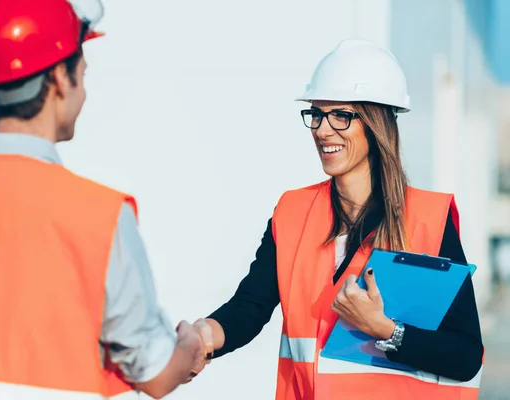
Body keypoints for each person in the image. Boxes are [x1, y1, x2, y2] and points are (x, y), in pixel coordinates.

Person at [0, 0, 206, 399]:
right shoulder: (100, 217)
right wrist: (187, 347)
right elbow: (154, 373)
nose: (83, 92)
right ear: (59, 79)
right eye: (82, 74)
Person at [187, 39, 484, 400]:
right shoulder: (292, 212)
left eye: (340, 115)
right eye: (316, 113)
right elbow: (249, 307)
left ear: (377, 122)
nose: (322, 130)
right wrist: (202, 335)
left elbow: (465, 355)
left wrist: (386, 330)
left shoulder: (428, 220)